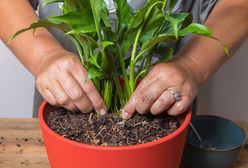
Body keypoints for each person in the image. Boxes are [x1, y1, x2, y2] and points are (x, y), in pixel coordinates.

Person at [0, 0, 248, 119]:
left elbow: (238, 5)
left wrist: (191, 65)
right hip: (65, 110)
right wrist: (44, 55)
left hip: (162, 115)